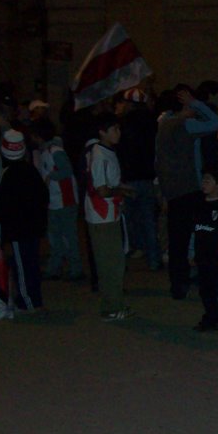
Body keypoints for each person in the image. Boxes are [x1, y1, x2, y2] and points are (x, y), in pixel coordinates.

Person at [155, 87, 218, 301]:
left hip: (173, 189)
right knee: (200, 235)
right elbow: (215, 123)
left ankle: (178, 284)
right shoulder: (183, 125)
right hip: (189, 189)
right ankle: (201, 280)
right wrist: (196, 104)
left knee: (177, 241)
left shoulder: (164, 124)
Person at [0, 129, 49, 313]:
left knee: (22, 266)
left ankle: (27, 302)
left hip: (17, 228)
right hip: (34, 226)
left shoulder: (6, 174)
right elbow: (43, 195)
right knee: (32, 262)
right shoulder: (31, 170)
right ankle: (35, 299)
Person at [85, 113, 135, 321]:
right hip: (101, 215)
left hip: (108, 213)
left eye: (118, 129)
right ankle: (112, 307)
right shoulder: (99, 155)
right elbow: (102, 190)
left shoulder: (105, 151)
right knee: (110, 263)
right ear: (102, 132)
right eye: (113, 129)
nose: (118, 133)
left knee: (114, 261)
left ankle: (115, 303)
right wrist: (121, 191)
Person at [33, 119, 84, 281]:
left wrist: (50, 176)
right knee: (56, 236)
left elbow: (67, 170)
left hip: (65, 199)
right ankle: (56, 268)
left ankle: (74, 269)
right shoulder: (46, 151)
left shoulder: (54, 151)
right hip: (55, 199)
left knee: (67, 236)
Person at [117, 87, 162, 271]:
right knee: (148, 220)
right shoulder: (153, 122)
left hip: (129, 177)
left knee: (130, 220)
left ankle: (134, 251)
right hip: (147, 176)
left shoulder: (123, 124)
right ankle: (154, 259)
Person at [190, 165, 218, 334]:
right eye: (203, 180)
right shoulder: (199, 204)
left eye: (208, 181)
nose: (204, 184)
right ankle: (210, 319)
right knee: (205, 291)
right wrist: (192, 253)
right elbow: (194, 231)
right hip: (203, 257)